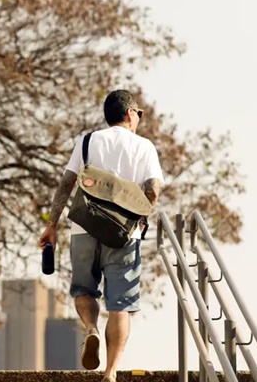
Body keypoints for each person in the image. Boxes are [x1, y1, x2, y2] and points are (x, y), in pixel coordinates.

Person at [38, 89, 164, 382]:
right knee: (120, 304)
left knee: (83, 290)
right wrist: (141, 218)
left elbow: (66, 184)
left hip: (84, 227)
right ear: (130, 113)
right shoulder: (144, 147)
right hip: (123, 234)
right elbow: (155, 189)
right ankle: (111, 371)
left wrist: (52, 225)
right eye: (139, 114)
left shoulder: (87, 141)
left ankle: (91, 329)